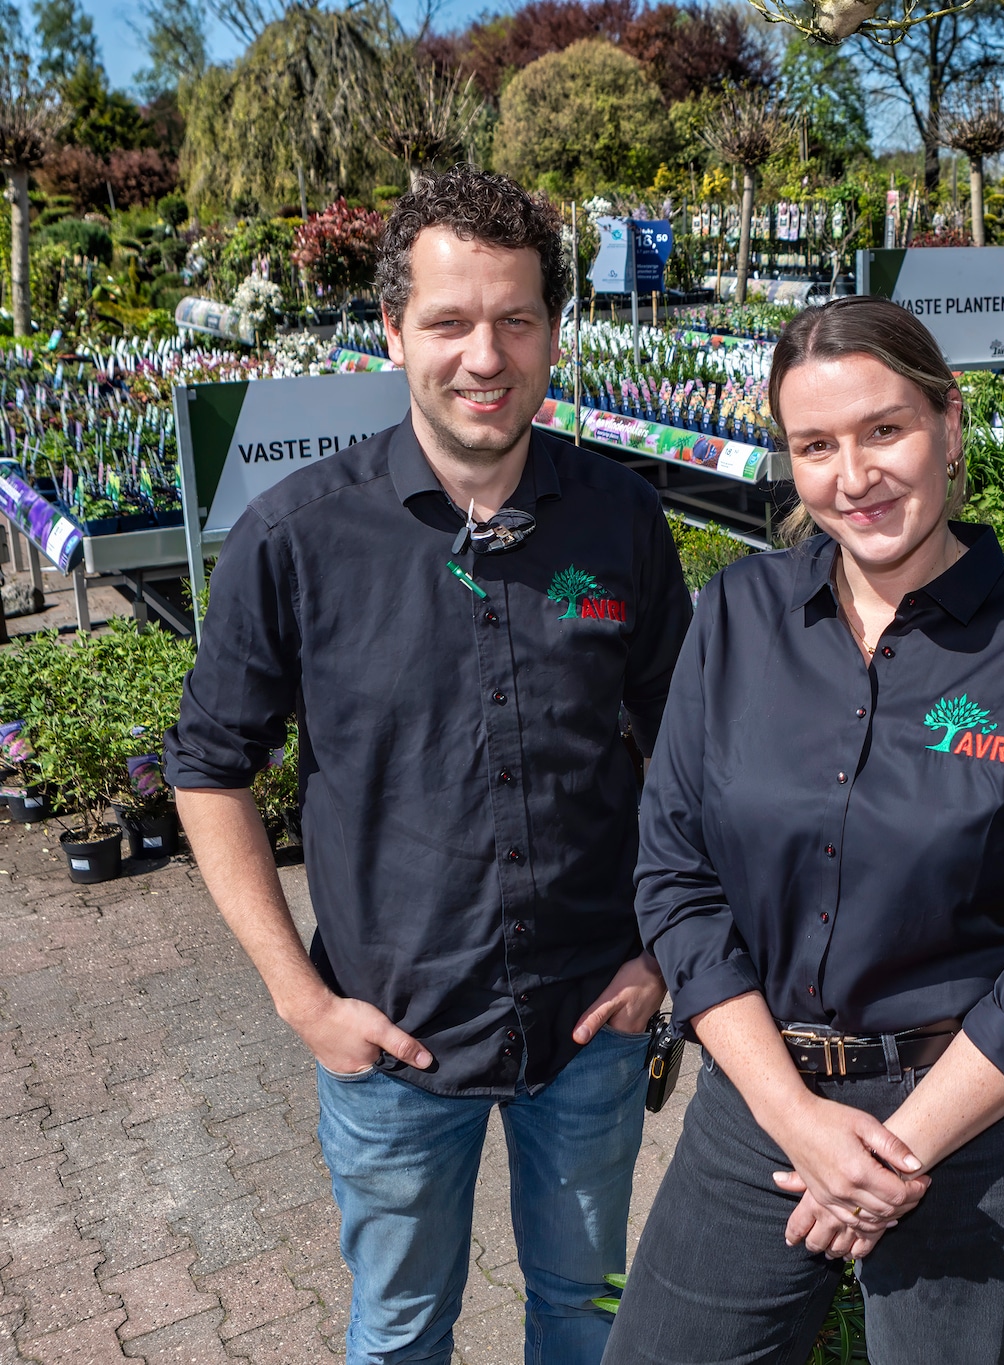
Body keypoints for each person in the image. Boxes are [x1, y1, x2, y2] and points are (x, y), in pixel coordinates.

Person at [166, 166, 691, 1365]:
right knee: (400, 1329)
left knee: (586, 1312)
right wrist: (302, 1002)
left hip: (589, 1025)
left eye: (514, 319)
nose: (484, 356)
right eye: (450, 322)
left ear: (554, 329)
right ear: (394, 330)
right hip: (393, 1038)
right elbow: (208, 770)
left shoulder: (620, 521)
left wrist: (663, 952)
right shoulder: (296, 537)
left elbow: (689, 750)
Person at [601, 297, 1004, 1365]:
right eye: (816, 446)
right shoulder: (741, 617)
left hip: (965, 1125)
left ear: (948, 422)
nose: (854, 477)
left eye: (883, 430)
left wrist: (888, 1160)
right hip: (762, 1098)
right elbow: (676, 880)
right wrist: (803, 1126)